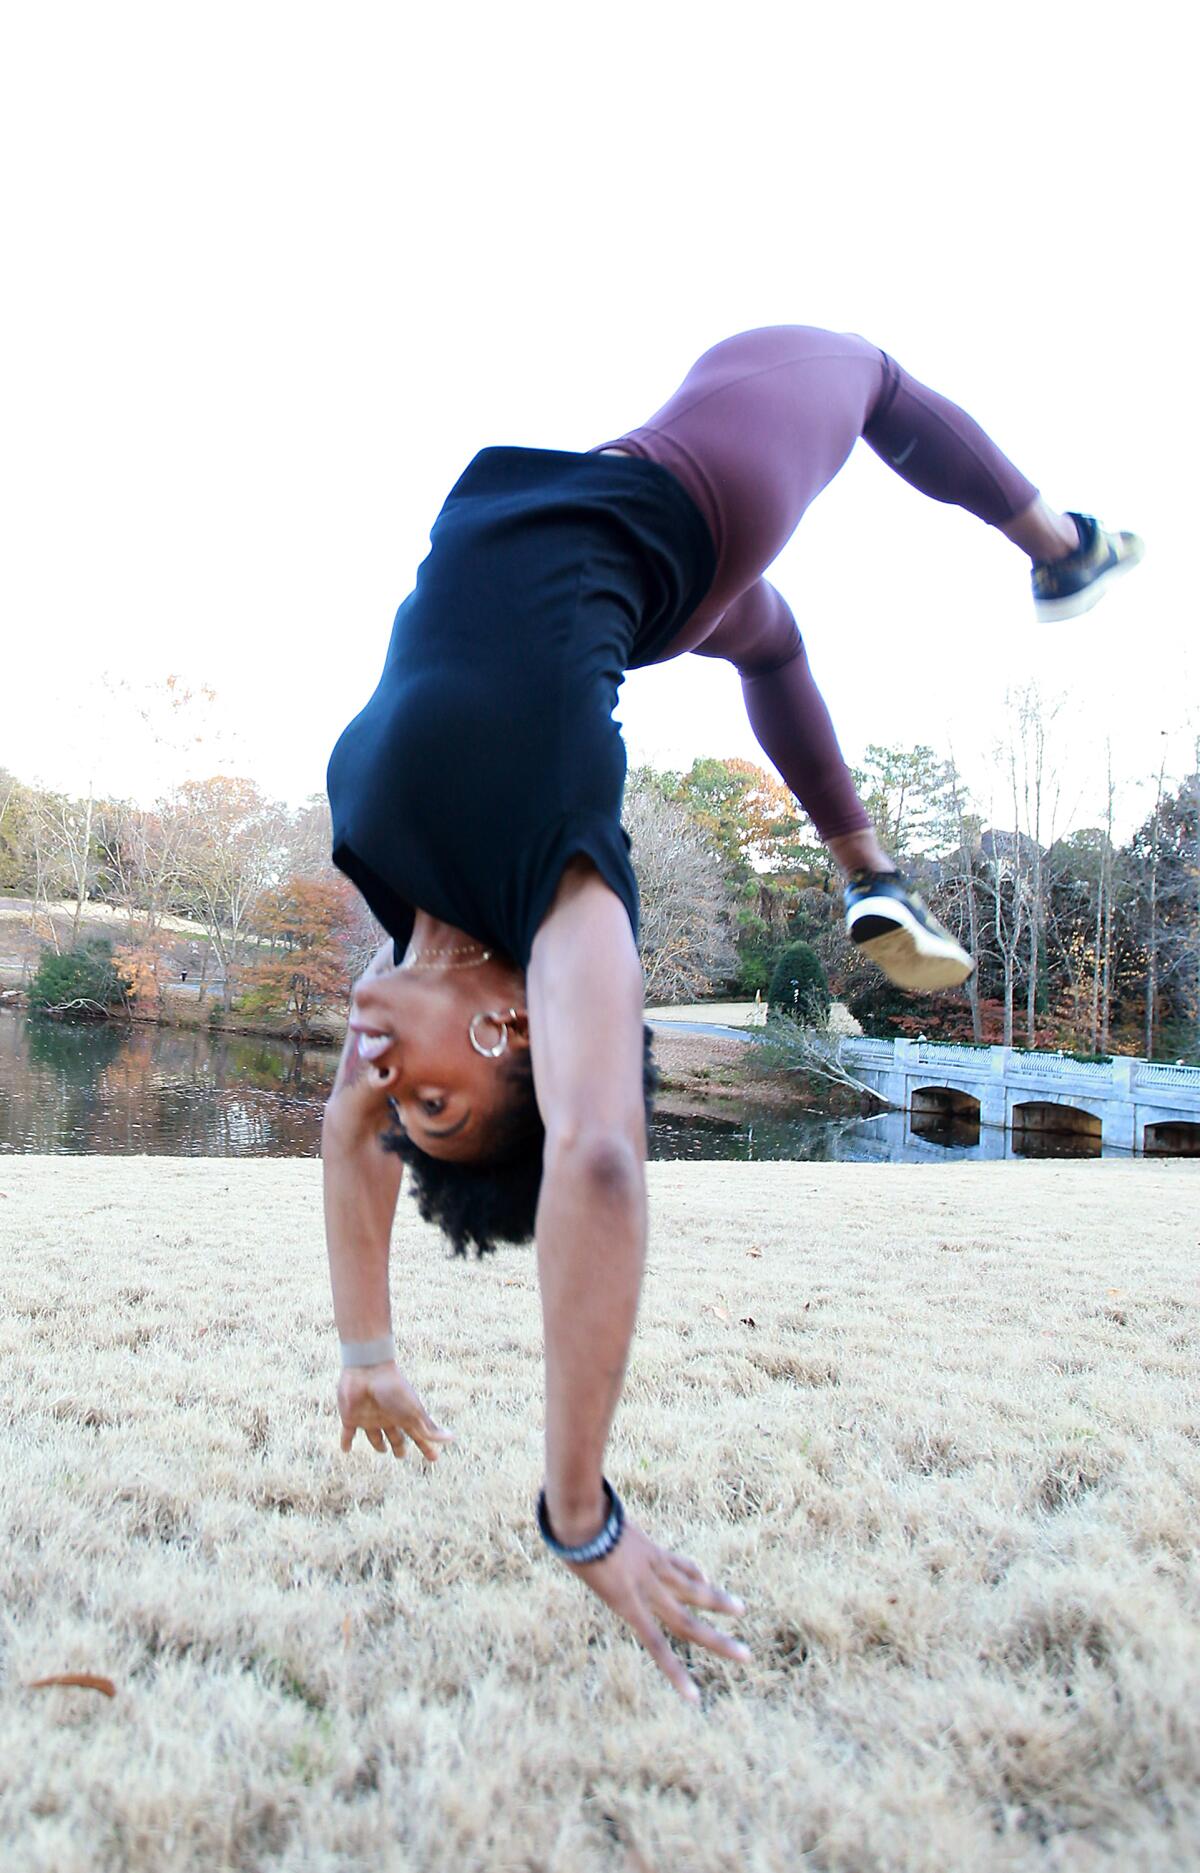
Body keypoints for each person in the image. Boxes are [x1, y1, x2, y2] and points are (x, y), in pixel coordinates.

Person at [322, 326, 1142, 1700]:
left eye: (400, 1104)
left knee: (768, 633)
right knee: (860, 369)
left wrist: (365, 1348)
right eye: (436, 1101)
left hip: (629, 571)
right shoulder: (565, 887)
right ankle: (1061, 546)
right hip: (690, 501)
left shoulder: (412, 898)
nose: (382, 1078)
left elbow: (351, 1137)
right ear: (507, 1031)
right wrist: (577, 1507)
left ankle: (874, 872)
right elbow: (593, 1154)